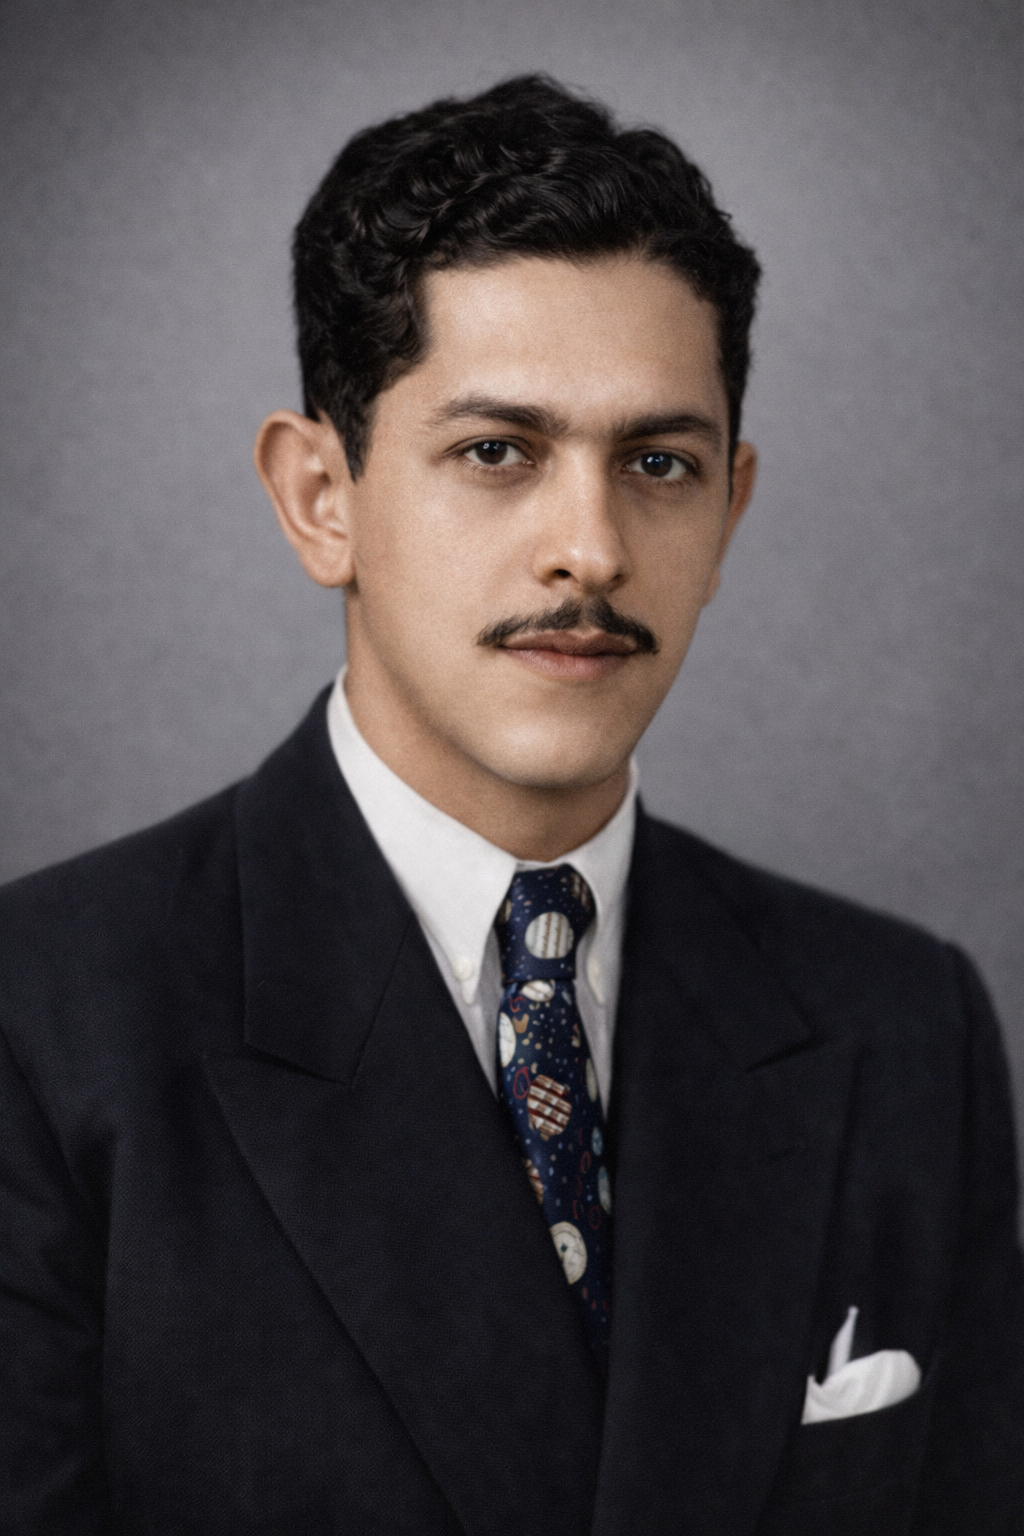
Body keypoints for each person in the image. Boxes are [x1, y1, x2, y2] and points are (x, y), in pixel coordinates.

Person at [0, 74, 1020, 1536]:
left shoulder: (906, 1025)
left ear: (729, 509)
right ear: (321, 497)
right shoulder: (44, 1024)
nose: (591, 548)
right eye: (498, 452)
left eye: (658, 463)